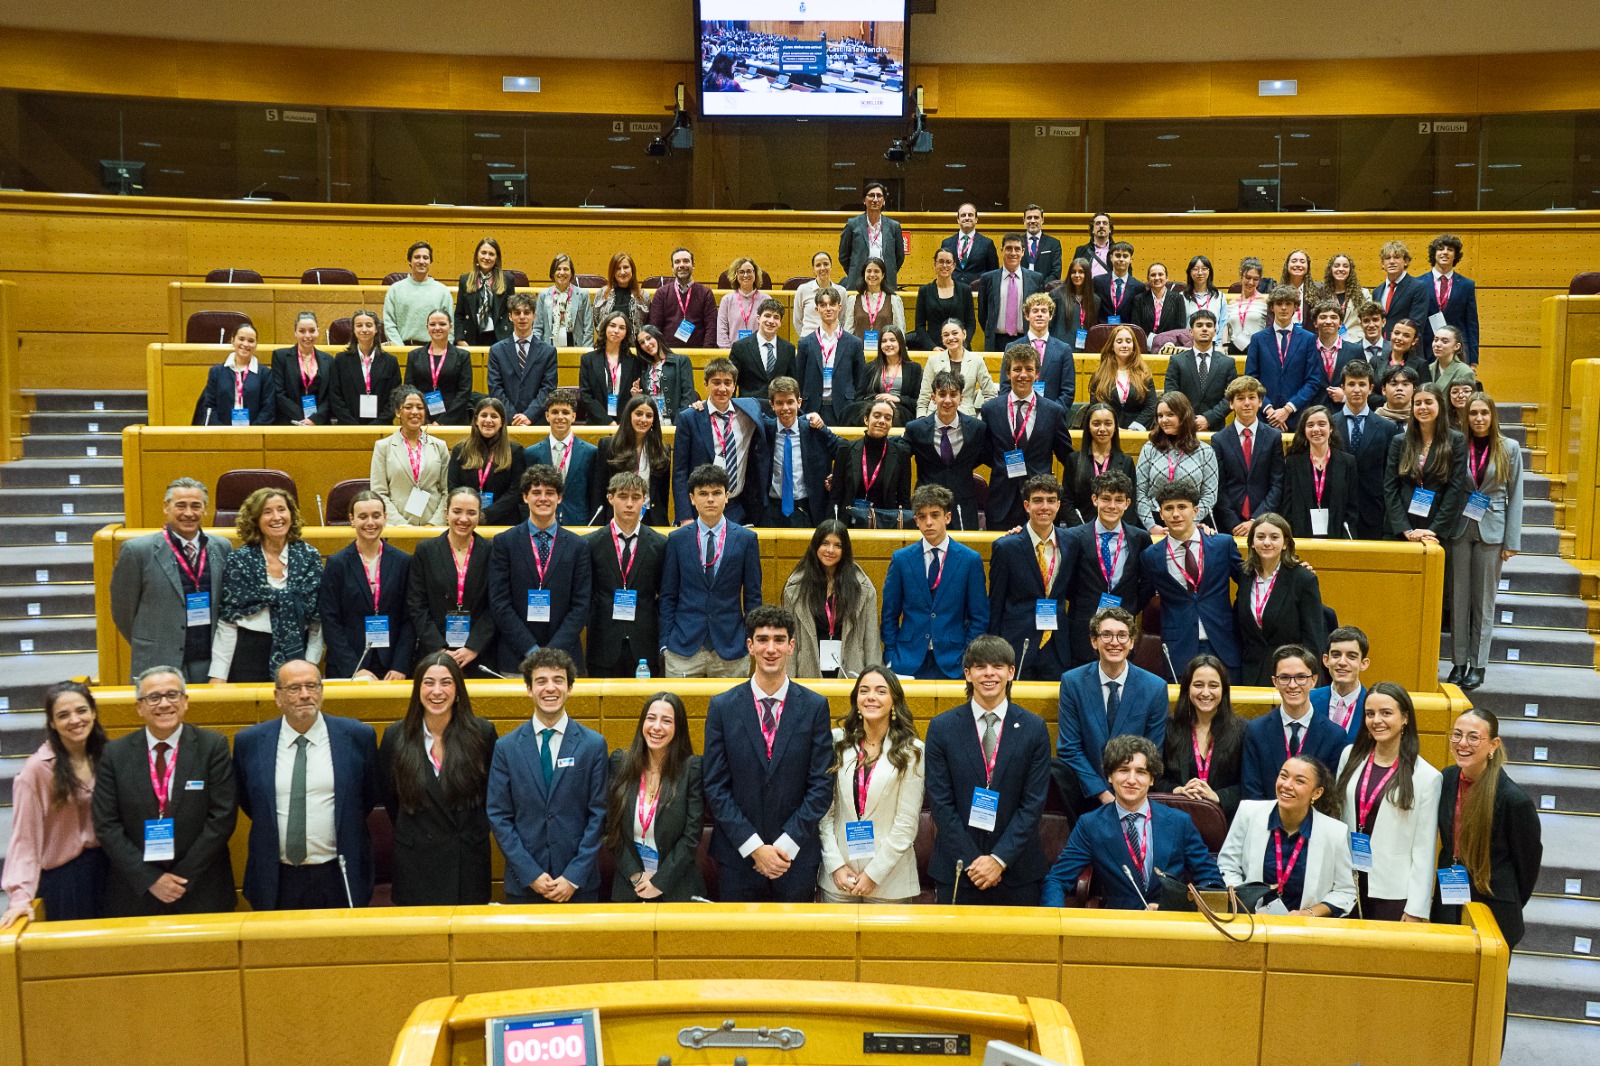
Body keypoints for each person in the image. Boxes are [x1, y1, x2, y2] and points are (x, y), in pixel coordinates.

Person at [701, 605, 834, 902]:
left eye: (779, 639)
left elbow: (821, 786)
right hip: (738, 857)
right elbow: (715, 786)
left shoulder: (815, 707)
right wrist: (754, 848)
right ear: (750, 646)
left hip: (795, 858)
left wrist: (785, 846)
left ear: (791, 646)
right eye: (762, 639)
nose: (770, 648)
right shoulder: (722, 707)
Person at [232, 660, 380, 910]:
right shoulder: (250, 742)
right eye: (294, 688)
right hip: (276, 877)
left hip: (338, 872)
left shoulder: (357, 736)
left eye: (312, 686)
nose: (305, 695)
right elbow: (251, 802)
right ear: (277, 697)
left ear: (321, 691)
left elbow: (366, 798)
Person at [92, 667, 237, 916]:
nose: (164, 704)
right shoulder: (114, 754)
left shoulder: (212, 746)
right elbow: (107, 824)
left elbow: (222, 817)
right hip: (137, 891)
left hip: (202, 887)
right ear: (139, 707)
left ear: (185, 701)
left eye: (172, 694)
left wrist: (181, 878)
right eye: (153, 697)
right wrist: (150, 879)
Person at [923, 636, 1052, 905]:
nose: (989, 673)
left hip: (1017, 870)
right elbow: (940, 803)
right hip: (958, 868)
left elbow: (1033, 803)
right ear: (968, 674)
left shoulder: (1034, 728)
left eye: (998, 666)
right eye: (980, 666)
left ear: (1011, 672)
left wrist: (999, 859)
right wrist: (972, 860)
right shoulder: (941, 728)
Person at [1043, 735, 1224, 909]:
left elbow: (1212, 880)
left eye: (1141, 772)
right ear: (1110, 776)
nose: (1131, 780)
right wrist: (1054, 921)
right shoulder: (1090, 824)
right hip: (1118, 923)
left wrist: (1181, 908)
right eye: (1123, 770)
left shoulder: (1179, 822)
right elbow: (1057, 879)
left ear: (1151, 779)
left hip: (1170, 921)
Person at [486, 648, 609, 904]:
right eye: (541, 681)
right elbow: (499, 815)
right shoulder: (506, 747)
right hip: (524, 885)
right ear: (529, 689)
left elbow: (599, 814)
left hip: (579, 885)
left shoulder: (593, 745)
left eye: (558, 680)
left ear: (570, 688)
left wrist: (573, 877)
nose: (550, 688)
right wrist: (530, 873)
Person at [378, 652, 498, 905]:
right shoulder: (395, 737)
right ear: (417, 689)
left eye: (446, 682)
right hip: (415, 861)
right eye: (428, 682)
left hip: (466, 861)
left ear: (458, 690)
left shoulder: (482, 733)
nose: (437, 691)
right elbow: (391, 799)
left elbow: (491, 795)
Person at [1, 682, 108, 926]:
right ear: (52, 723)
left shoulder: (107, 755)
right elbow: (25, 839)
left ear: (93, 713)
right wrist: (20, 897)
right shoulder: (36, 770)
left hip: (108, 870)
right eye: (63, 715)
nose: (75, 720)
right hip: (65, 881)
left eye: (81, 711)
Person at [1332, 682, 1441, 922]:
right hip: (1348, 881)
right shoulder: (1350, 755)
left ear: (1405, 718)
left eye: (1386, 713)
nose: (1377, 720)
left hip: (1392, 891)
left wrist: (1416, 909)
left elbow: (1424, 849)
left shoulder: (1426, 777)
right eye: (1370, 714)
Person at [1433, 708, 1541, 947]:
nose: (1462, 743)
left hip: (1494, 908)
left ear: (1493, 745)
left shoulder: (1514, 800)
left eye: (1473, 737)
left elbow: (1527, 868)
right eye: (1457, 734)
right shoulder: (1447, 778)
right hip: (1448, 900)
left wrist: (1507, 900)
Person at [110, 477, 232, 684]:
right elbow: (123, 611)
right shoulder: (137, 551)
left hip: (209, 663)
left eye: (196, 506)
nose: (189, 513)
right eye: (181, 505)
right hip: (157, 661)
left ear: (205, 509)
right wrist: (154, 643)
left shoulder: (222, 547)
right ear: (166, 507)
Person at [819, 668, 926, 902]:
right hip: (839, 879)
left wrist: (873, 875)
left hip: (890, 881)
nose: (871, 697)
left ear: (894, 700)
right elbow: (825, 813)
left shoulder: (912, 751)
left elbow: (906, 824)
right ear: (856, 699)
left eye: (881, 691)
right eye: (864, 690)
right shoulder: (837, 742)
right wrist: (835, 865)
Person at [1053, 606, 1169, 819]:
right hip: (1085, 795)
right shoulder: (1073, 682)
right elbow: (1069, 748)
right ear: (1094, 641)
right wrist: (1103, 794)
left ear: (1131, 642)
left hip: (1134, 794)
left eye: (1122, 635)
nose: (1114, 642)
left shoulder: (1155, 688)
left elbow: (1152, 750)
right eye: (1106, 635)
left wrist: (1124, 792)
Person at [1449, 392, 1523, 690]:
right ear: (1466, 417)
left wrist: (1511, 540)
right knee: (1459, 599)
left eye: (1484, 413)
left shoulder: (1509, 448)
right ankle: (1458, 662)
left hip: (1493, 529)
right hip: (1460, 527)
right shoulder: (1457, 445)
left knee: (1483, 601)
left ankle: (1478, 665)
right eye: (1473, 413)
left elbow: (1516, 495)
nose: (1478, 418)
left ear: (1493, 416)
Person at [1220, 755, 1357, 917]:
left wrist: (1309, 913)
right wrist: (1247, 906)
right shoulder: (1248, 813)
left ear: (1317, 793)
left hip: (1305, 927)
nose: (1286, 785)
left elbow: (1344, 891)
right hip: (1252, 922)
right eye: (1283, 776)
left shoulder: (1334, 832)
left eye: (1299, 781)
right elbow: (1227, 867)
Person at [210, 489, 324, 684]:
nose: (277, 517)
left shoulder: (309, 557)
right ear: (255, 519)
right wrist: (219, 675)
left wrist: (311, 664)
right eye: (267, 512)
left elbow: (317, 621)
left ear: (291, 514)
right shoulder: (239, 560)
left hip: (297, 650)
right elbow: (228, 621)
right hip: (248, 654)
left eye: (282, 509)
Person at [487, 464, 592, 674]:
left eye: (549, 493)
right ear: (525, 497)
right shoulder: (504, 543)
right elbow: (500, 603)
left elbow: (581, 605)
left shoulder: (578, 546)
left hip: (565, 658)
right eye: (536, 492)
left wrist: (553, 653)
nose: (543, 498)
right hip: (516, 656)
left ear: (559, 498)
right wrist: (531, 650)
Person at [660, 464, 763, 678]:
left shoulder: (745, 539)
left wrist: (748, 638)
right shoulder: (677, 539)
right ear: (692, 498)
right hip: (683, 648)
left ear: (727, 497)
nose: (710, 499)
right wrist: (666, 642)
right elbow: (668, 596)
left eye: (716, 493)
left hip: (731, 647)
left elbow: (753, 597)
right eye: (703, 493)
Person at [603, 693, 705, 901]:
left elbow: (691, 836)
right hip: (629, 888)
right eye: (651, 718)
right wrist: (636, 876)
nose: (656, 727)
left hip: (678, 889)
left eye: (666, 721)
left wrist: (660, 882)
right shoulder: (620, 763)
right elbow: (611, 829)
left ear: (678, 728)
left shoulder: (691, 769)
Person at [880, 484, 988, 680]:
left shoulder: (969, 560)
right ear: (916, 520)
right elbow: (889, 614)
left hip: (954, 660)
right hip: (907, 659)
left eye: (935, 515)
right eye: (922, 517)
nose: (928, 522)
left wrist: (968, 657)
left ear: (948, 517)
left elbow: (979, 617)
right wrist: (891, 656)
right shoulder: (902, 559)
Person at [1137, 479, 1243, 676]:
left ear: (1195, 511)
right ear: (1161, 514)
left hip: (1223, 641)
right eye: (1169, 508)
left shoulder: (1222, 545)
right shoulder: (1151, 556)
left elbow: (1249, 581)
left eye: (1182, 507)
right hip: (1179, 647)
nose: (1176, 514)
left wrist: (1291, 569)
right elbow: (1139, 597)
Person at [317, 490, 414, 681]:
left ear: (385, 517)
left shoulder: (403, 561)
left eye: (376, 516)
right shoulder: (336, 564)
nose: (370, 522)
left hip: (393, 667)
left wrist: (400, 665)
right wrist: (354, 668)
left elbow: (409, 619)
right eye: (363, 517)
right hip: (348, 665)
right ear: (352, 520)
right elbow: (330, 620)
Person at [987, 474, 1076, 682]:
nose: (1045, 507)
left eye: (1051, 501)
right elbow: (996, 603)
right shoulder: (1006, 547)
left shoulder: (1071, 542)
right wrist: (993, 650)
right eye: (1038, 500)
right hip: (1017, 643)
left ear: (1058, 505)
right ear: (1027, 505)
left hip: (1057, 645)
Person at [1060, 470, 1151, 669]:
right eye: (1106, 499)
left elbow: (1147, 583)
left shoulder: (1140, 538)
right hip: (1082, 628)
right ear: (1095, 500)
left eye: (1119, 500)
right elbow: (1066, 583)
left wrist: (1131, 606)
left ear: (1127, 503)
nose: (1112, 506)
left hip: (1123, 628)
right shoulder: (1074, 537)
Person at [980, 343, 1074, 530]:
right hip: (1001, 503)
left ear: (1037, 374)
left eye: (1029, 369)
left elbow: (1067, 457)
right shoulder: (990, 410)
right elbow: (986, 453)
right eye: (1017, 369)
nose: (1023, 374)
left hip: (1040, 502)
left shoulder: (1053, 411)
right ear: (1008, 374)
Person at [406, 487, 497, 675]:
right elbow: (417, 605)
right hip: (433, 653)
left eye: (471, 513)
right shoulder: (426, 550)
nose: (463, 519)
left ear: (479, 515)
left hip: (480, 653)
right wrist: (439, 649)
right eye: (457, 511)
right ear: (446, 513)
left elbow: (496, 604)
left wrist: (473, 647)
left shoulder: (492, 551)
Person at [585, 472, 667, 679]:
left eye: (636, 497)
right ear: (610, 498)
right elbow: (585, 595)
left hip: (645, 642)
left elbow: (665, 596)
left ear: (644, 500)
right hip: (603, 643)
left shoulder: (660, 544)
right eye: (623, 496)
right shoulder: (591, 544)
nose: (629, 504)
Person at [1240, 645, 1348, 800]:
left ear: (1313, 680)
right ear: (1275, 682)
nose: (1292, 685)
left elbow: (1330, 795)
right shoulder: (1256, 730)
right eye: (1284, 678)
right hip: (1266, 815)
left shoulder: (1334, 735)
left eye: (1301, 677)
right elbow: (1251, 790)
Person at [1234, 514, 1327, 687]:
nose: (1266, 542)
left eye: (1274, 537)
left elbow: (1313, 638)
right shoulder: (1245, 576)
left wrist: (1311, 680)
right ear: (1252, 542)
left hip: (1290, 676)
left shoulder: (1303, 579)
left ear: (1285, 543)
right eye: (1260, 537)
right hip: (1250, 673)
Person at [671, 359, 767, 525]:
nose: (722, 389)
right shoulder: (689, 418)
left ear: (734, 386)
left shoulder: (749, 409)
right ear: (705, 384)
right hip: (699, 508)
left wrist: (809, 417)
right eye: (716, 382)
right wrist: (685, 517)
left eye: (727, 383)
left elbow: (783, 411)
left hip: (737, 507)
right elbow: (680, 472)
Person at [781, 520, 880, 679]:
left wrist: (873, 679)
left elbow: (871, 641)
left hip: (851, 672)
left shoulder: (863, 588)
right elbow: (790, 640)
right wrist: (789, 682)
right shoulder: (795, 587)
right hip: (808, 672)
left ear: (845, 550)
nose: (830, 550)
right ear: (815, 546)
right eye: (825, 543)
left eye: (838, 545)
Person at [1159, 655, 1246, 820]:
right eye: (1198, 685)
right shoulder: (1169, 727)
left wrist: (1217, 796)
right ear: (1187, 688)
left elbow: (1249, 785)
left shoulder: (1242, 730)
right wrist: (1177, 791)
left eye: (1213, 685)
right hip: (1177, 818)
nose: (1206, 693)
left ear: (1224, 690)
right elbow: (1156, 778)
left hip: (1227, 822)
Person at [903, 371, 990, 533]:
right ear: (933, 397)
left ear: (961, 398)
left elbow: (989, 457)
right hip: (927, 507)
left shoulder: (977, 429)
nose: (947, 400)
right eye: (942, 394)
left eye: (953, 394)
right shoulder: (916, 429)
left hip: (964, 507)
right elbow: (898, 455)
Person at [1385, 382, 1471, 543]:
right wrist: (1405, 529)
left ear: (1440, 405)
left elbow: (1455, 489)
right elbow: (1390, 487)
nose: (1423, 407)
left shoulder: (1456, 440)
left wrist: (1434, 530)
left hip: (1437, 530)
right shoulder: (1399, 441)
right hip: (1402, 529)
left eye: (1428, 402)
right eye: (1418, 403)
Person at [1331, 360, 1403, 540]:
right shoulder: (1329, 424)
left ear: (1371, 388)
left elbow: (1391, 474)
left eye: (1362, 384)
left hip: (1373, 511)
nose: (1356, 390)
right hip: (1336, 509)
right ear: (1343, 388)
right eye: (1351, 384)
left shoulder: (1387, 428)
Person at [760, 376, 843, 527]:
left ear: (799, 402)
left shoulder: (815, 430)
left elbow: (846, 452)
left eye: (790, 402)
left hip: (806, 509)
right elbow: (747, 404)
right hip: (771, 509)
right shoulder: (765, 430)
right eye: (779, 403)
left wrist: (836, 475)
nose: (785, 408)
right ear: (771, 404)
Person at [1211, 376, 1285, 537]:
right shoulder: (1219, 439)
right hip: (1230, 525)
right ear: (1231, 404)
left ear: (1260, 402)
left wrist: (1256, 521)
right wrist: (1234, 524)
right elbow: (1218, 487)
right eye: (1240, 398)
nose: (1246, 403)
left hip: (1265, 521)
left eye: (1252, 397)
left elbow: (1277, 484)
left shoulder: (1273, 437)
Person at [1135, 392, 1218, 533]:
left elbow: (1209, 495)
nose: (1164, 420)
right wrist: (1151, 526)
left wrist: (1189, 523)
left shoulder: (1205, 451)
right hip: (1155, 522)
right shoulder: (1149, 448)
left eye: (1170, 414)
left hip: (1192, 523)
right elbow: (1139, 491)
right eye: (1160, 415)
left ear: (1184, 415)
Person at [1245, 285, 1323, 432]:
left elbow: (1313, 381)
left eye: (1288, 303)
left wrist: (1287, 409)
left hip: (1297, 416)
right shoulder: (1258, 339)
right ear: (1271, 307)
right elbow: (1251, 379)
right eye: (1279, 304)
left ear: (1295, 307)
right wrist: (1268, 409)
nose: (1283, 308)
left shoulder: (1308, 339)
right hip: (1266, 417)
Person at [371, 385, 450, 526]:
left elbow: (447, 491)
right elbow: (379, 492)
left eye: (420, 408)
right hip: (397, 526)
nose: (415, 412)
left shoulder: (440, 446)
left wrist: (434, 523)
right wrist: (401, 525)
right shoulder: (383, 447)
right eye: (408, 407)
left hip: (432, 526)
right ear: (398, 412)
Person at [831, 398, 914, 527]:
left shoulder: (901, 453)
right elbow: (836, 495)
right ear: (866, 419)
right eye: (877, 416)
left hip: (886, 525)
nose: (882, 421)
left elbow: (904, 499)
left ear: (891, 424)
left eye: (887, 418)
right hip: (848, 524)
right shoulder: (846, 449)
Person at [592, 393, 671, 528]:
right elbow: (598, 491)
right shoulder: (608, 446)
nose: (643, 420)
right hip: (616, 516)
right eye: (638, 414)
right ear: (629, 416)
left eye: (649, 416)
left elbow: (663, 494)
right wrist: (598, 525)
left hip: (650, 517)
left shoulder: (662, 450)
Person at [1281, 405, 1359, 539]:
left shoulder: (1347, 462)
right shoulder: (1293, 463)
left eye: (1322, 424)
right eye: (1310, 425)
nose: (1316, 429)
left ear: (1331, 428)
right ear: (1304, 430)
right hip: (1301, 536)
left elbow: (1352, 506)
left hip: (1338, 536)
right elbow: (1287, 506)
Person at [448, 396, 527, 526]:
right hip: (466, 520)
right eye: (484, 415)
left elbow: (516, 491)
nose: (488, 420)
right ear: (476, 420)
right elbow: (453, 487)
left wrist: (486, 515)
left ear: (502, 422)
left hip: (505, 522)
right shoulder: (460, 450)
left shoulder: (515, 451)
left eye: (494, 416)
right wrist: (470, 514)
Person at [526, 388, 598, 526]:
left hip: (578, 523)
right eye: (555, 412)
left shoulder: (590, 452)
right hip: (542, 522)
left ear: (574, 416)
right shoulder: (532, 453)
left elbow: (593, 494)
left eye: (565, 412)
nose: (560, 417)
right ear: (547, 416)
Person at [488, 293, 559, 428]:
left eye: (527, 312)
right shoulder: (497, 350)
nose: (522, 317)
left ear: (534, 316)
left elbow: (548, 388)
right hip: (506, 422)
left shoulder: (548, 351)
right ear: (510, 316)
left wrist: (529, 415)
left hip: (537, 421)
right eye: (517, 313)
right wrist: (513, 417)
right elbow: (495, 388)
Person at [795, 287, 863, 426]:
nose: (828, 309)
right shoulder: (805, 343)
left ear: (839, 307)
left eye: (832, 304)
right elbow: (799, 380)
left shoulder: (854, 343)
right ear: (817, 309)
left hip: (845, 407)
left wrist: (855, 405)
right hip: (813, 407)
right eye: (823, 305)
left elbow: (860, 380)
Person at [1062, 404, 1136, 526]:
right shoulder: (1074, 460)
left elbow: (1130, 503)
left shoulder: (1126, 462)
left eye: (1108, 424)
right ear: (1088, 426)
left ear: (1115, 427)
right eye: (1096, 424)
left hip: (1116, 529)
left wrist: (1121, 530)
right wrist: (1080, 530)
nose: (1102, 429)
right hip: (1081, 529)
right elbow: (1067, 501)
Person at [1162, 309, 1236, 432]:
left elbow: (1230, 397)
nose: (1204, 329)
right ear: (1191, 332)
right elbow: (1171, 394)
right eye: (1199, 325)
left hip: (1215, 428)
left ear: (1215, 331)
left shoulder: (1227, 363)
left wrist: (1208, 418)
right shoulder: (1177, 361)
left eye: (1209, 325)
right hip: (1183, 427)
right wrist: (1189, 419)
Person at [328, 309, 402, 425]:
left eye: (369, 325)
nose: (364, 329)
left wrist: (376, 425)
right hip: (348, 427)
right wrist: (354, 426)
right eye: (359, 325)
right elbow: (335, 397)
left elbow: (395, 398)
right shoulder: (341, 360)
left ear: (376, 329)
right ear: (353, 329)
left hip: (381, 428)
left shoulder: (390, 362)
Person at [193, 323, 276, 426]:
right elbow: (209, 406)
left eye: (251, 341)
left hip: (254, 432)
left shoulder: (265, 373)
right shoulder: (216, 372)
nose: (245, 344)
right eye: (241, 339)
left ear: (256, 344)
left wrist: (253, 431)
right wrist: (222, 431)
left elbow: (268, 408)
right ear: (232, 340)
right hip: (222, 432)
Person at [404, 309, 473, 426]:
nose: (437, 328)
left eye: (442, 324)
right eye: (432, 324)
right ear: (427, 327)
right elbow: (409, 390)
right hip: (420, 420)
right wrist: (423, 420)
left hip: (454, 420)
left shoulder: (463, 356)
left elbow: (464, 393)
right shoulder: (414, 356)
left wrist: (441, 421)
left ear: (450, 327)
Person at [977, 233, 1044, 351]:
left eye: (1017, 249)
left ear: (1023, 252)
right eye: (1008, 248)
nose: (1013, 253)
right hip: (996, 341)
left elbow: (1039, 311)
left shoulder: (1036, 279)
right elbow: (983, 314)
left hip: (1026, 339)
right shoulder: (988, 279)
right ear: (1002, 251)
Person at [1419, 233, 1480, 364]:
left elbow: (1472, 325)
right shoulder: (1418, 283)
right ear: (1434, 254)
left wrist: (1473, 361)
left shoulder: (1466, 285)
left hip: (1457, 352)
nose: (1445, 252)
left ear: (1455, 255)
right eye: (1440, 249)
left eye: (1450, 250)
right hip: (1426, 351)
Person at [916, 319, 996, 417]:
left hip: (966, 418)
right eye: (946, 335)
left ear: (964, 334)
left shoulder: (977, 361)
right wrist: (922, 419)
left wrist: (981, 420)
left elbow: (991, 395)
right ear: (942, 339)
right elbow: (924, 397)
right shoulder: (933, 361)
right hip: (935, 416)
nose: (950, 338)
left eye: (955, 333)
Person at [728, 298, 796, 410]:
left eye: (776, 317)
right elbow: (732, 381)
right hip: (748, 409)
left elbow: (793, 384)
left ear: (780, 323)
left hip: (778, 410)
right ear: (758, 319)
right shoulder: (740, 347)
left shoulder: (788, 349)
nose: (771, 321)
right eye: (767, 316)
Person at [1087, 324, 1158, 430]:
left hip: (1137, 432)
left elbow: (1151, 407)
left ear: (1134, 346)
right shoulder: (1099, 375)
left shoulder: (1144, 374)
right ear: (1112, 346)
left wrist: (1134, 428)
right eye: (1119, 342)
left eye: (1128, 341)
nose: (1124, 345)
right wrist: (1112, 427)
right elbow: (1095, 407)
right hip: (1108, 431)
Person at [383, 241, 454, 346]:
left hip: (434, 350)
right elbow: (389, 324)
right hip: (403, 348)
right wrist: (400, 349)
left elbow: (450, 327)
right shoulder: (395, 290)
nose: (421, 261)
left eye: (425, 258)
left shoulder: (443, 291)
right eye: (417, 257)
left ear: (430, 261)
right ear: (409, 261)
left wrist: (443, 349)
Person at [838, 181, 904, 292]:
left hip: (886, 282)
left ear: (883, 201)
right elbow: (843, 255)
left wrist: (886, 273)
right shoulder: (852, 224)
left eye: (879, 196)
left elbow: (899, 257)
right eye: (871, 195)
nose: (875, 199)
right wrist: (856, 271)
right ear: (864, 200)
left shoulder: (894, 226)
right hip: (858, 282)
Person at [580, 311, 642, 426]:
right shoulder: (588, 359)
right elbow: (586, 396)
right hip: (596, 423)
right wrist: (608, 422)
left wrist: (636, 395)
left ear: (626, 333)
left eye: (622, 328)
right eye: (612, 326)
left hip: (625, 424)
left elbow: (635, 395)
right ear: (605, 328)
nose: (616, 331)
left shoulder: (634, 361)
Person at [271, 311, 333, 425]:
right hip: (289, 422)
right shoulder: (280, 357)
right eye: (302, 331)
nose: (307, 336)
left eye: (312, 331)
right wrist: (303, 419)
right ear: (295, 332)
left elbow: (331, 395)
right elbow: (279, 393)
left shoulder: (328, 360)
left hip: (319, 423)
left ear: (318, 331)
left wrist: (315, 419)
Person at [1311, 626, 1372, 742]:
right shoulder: (1309, 701)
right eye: (1336, 655)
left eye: (1351, 656)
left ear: (1364, 663)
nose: (1342, 662)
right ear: (1326, 660)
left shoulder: (1373, 705)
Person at [646, 247, 716, 348]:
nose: (682, 265)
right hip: (668, 352)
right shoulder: (661, 293)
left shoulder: (706, 293)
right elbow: (654, 327)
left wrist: (706, 354)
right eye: (677, 262)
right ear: (672, 267)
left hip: (698, 351)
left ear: (693, 265)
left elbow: (711, 328)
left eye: (686, 261)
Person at [631, 324, 699, 426]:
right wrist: (637, 396)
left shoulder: (681, 361)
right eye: (642, 343)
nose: (647, 344)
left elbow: (688, 396)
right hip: (651, 423)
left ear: (657, 336)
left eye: (649, 338)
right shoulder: (644, 368)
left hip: (677, 422)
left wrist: (679, 423)